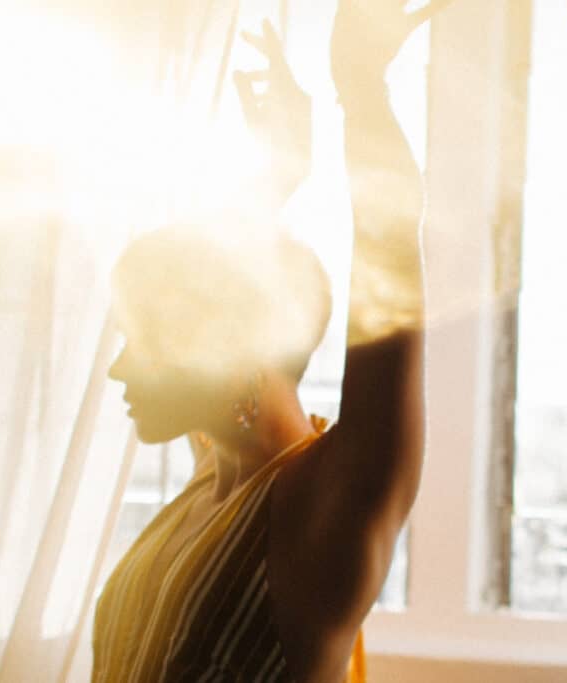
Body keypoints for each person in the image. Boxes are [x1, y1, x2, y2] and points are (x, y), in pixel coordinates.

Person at [94, 1, 450, 680]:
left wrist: (362, 90)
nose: (118, 370)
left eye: (141, 341)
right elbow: (222, 281)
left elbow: (390, 244)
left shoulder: (328, 508)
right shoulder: (217, 473)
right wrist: (274, 179)